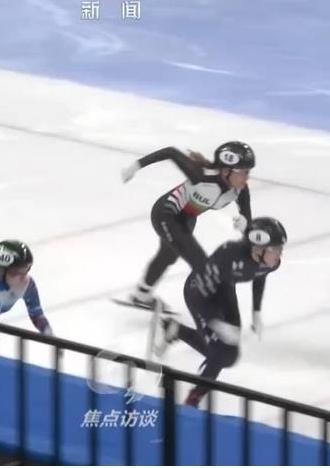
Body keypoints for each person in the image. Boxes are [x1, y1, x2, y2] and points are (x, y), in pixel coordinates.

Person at [154, 217, 286, 407]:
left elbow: (260, 273)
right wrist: (215, 322)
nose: (280, 254)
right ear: (259, 248)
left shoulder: (271, 261)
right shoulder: (229, 254)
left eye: (281, 248)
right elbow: (199, 295)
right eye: (276, 249)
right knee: (220, 352)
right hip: (199, 292)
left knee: (229, 356)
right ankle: (193, 399)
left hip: (224, 288)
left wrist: (256, 311)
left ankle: (175, 330)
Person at [120, 141, 255, 309]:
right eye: (243, 172)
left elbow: (248, 223)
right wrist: (135, 166)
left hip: (188, 219)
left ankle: (141, 295)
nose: (247, 178)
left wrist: (245, 225)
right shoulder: (201, 176)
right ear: (226, 170)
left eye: (248, 172)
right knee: (201, 263)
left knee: (167, 256)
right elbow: (170, 152)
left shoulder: (240, 190)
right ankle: (210, 312)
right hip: (166, 213)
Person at [0, 240, 52, 354]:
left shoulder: (27, 285)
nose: (23, 276)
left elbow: (36, 314)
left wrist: (49, 333)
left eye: (26, 269)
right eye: (16, 271)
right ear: (1, 271)